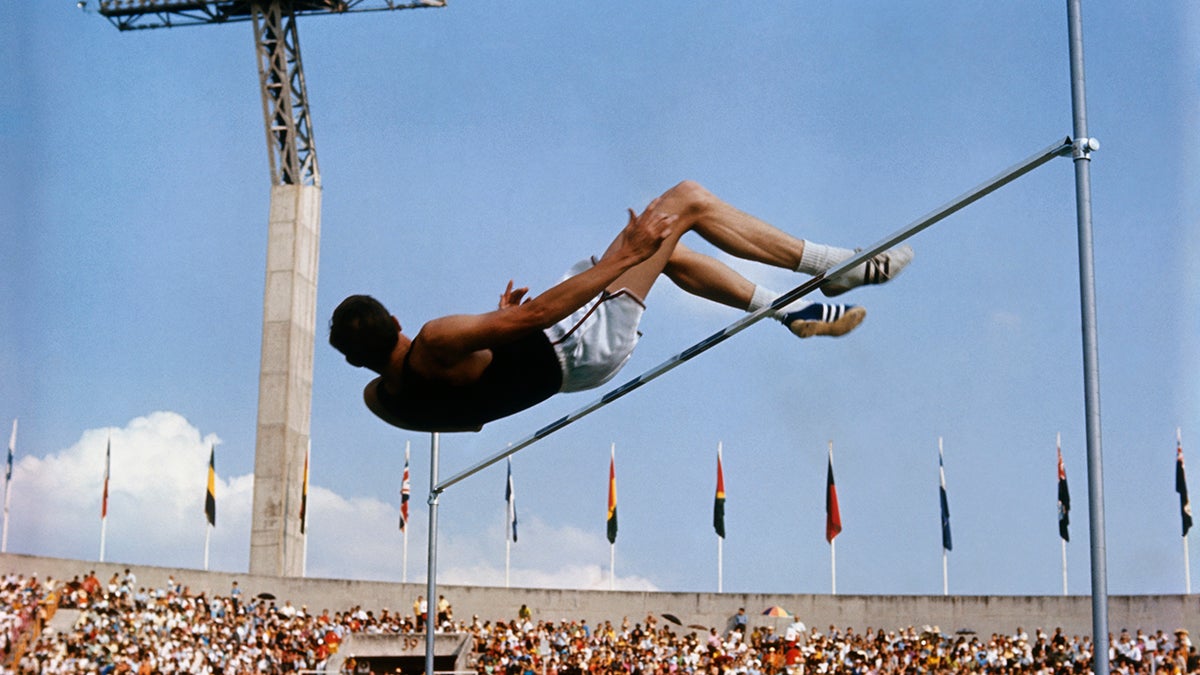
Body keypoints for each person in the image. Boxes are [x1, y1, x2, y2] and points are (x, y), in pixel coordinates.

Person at [330, 180, 912, 432]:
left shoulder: (383, 400)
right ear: (397, 320)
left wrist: (491, 336)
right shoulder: (433, 339)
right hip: (571, 341)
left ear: (357, 361)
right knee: (682, 202)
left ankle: (791, 313)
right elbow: (534, 318)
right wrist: (620, 258)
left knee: (672, 252)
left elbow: (474, 412)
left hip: (567, 371)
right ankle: (833, 268)